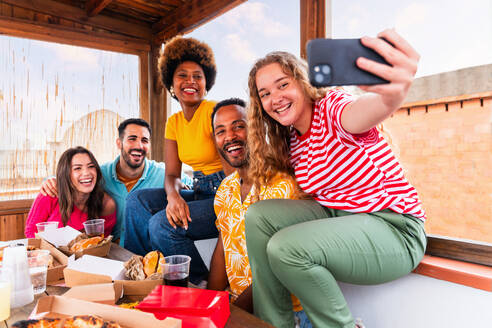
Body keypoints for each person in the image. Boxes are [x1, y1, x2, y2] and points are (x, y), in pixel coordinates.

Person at [244, 29, 427, 328]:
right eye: (264, 94)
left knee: (287, 247)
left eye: (282, 85)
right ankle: (274, 324)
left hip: (393, 227)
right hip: (339, 215)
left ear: (302, 83)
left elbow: (361, 111)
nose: (274, 98)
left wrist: (390, 96)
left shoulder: (331, 107)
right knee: (258, 217)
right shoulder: (293, 138)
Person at [124, 36, 230, 285]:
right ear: (171, 83)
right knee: (136, 200)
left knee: (162, 224)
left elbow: (234, 167)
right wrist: (174, 197)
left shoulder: (213, 112)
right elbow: (172, 174)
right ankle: (140, 269)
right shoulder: (174, 122)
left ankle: (199, 281)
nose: (191, 81)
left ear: (206, 84)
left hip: (223, 192)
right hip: (200, 189)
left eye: (198, 76)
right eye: (183, 75)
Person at [206, 98, 312, 327]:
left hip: (284, 315)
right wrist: (209, 307)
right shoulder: (225, 189)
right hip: (238, 311)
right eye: (220, 131)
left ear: (255, 128)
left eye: (238, 126)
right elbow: (223, 246)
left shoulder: (283, 186)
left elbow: (277, 267)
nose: (230, 136)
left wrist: (231, 313)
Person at [39, 118, 192, 244]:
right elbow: (71, 177)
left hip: (148, 252)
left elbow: (190, 185)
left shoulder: (163, 174)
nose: (139, 145)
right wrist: (50, 180)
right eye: (132, 139)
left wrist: (182, 190)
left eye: (144, 140)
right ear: (119, 143)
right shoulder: (100, 174)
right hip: (110, 251)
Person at [25, 147, 116, 237]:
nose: (86, 173)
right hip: (49, 251)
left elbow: (101, 242)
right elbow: (31, 231)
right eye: (77, 168)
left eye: (91, 166)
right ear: (65, 174)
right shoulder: (50, 193)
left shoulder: (106, 204)